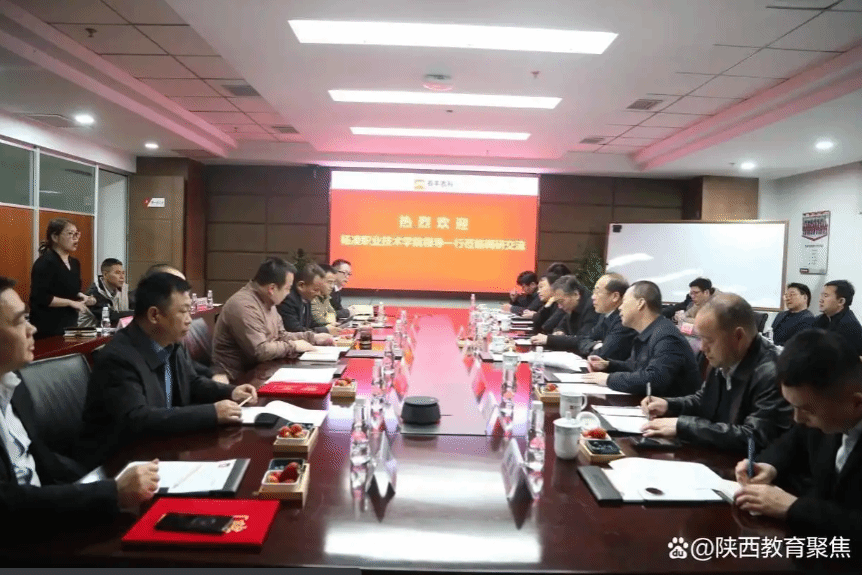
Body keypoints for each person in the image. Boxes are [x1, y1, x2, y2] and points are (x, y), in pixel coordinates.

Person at [0, 276, 159, 531]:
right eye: (20, 321)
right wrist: (110, 492)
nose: (32, 329)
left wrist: (105, 479)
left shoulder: (13, 384)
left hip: (50, 515)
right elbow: (6, 503)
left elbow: (43, 460)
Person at [81, 272, 257, 466]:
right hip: (121, 464)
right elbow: (137, 420)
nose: (189, 319)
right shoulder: (118, 358)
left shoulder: (171, 344)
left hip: (164, 449)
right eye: (183, 311)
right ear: (154, 315)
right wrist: (211, 413)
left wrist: (231, 392)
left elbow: (191, 383)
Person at [734, 330, 862, 550]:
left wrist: (792, 507)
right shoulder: (822, 408)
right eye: (793, 406)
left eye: (806, 410)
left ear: (857, 404)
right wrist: (769, 466)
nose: (797, 418)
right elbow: (794, 440)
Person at [641, 293, 792, 451]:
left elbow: (754, 437)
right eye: (700, 339)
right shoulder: (725, 356)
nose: (702, 347)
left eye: (709, 340)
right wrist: (669, 405)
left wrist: (684, 426)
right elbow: (705, 399)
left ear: (738, 336)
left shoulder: (774, 372)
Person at [211, 258, 329, 381]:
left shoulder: (268, 301)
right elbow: (260, 351)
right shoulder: (244, 305)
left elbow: (281, 335)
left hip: (262, 370)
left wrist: (312, 337)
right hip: (237, 378)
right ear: (271, 289)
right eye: (288, 288)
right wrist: (294, 346)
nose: (289, 293)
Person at [583, 280, 701, 397]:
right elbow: (636, 367)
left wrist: (608, 379)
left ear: (640, 304)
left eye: (624, 302)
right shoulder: (651, 331)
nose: (620, 308)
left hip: (669, 406)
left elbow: (654, 380)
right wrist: (608, 365)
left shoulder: (666, 337)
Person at [28, 218, 95, 338]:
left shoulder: (75, 263)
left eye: (77, 234)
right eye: (70, 234)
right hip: (47, 328)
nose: (75, 238)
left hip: (70, 324)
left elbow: (70, 290)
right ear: (55, 237)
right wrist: (71, 303)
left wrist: (84, 297)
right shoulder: (45, 262)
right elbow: (41, 297)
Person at [570, 273, 636, 360]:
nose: (593, 297)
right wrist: (595, 345)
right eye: (593, 292)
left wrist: (593, 347)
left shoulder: (624, 321)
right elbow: (583, 340)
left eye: (597, 292)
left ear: (615, 296)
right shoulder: (605, 315)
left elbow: (603, 355)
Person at [530, 275, 600, 351]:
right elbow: (561, 325)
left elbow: (583, 339)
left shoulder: (592, 307)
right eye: (557, 302)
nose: (559, 306)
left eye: (561, 302)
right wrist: (559, 331)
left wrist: (550, 339)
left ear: (576, 295)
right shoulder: (571, 305)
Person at [277, 263, 338, 337]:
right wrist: (325, 330)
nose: (319, 294)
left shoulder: (307, 299)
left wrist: (327, 326)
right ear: (301, 285)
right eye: (316, 290)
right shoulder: (288, 300)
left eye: (321, 291)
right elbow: (295, 330)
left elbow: (310, 324)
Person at [813, 280, 862, 355]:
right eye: (821, 295)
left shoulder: (849, 326)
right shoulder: (819, 319)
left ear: (841, 301)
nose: (821, 300)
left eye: (826, 296)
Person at [85, 258, 134, 326]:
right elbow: (110, 316)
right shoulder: (94, 293)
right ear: (105, 274)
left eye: (123, 273)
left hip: (110, 330)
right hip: (86, 331)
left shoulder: (122, 290)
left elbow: (133, 304)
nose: (122, 277)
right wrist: (137, 313)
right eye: (117, 273)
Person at [310, 264, 342, 335]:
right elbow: (318, 320)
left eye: (333, 283)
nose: (332, 286)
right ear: (318, 281)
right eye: (329, 282)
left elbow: (332, 312)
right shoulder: (312, 297)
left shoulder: (326, 296)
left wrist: (329, 321)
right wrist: (329, 323)